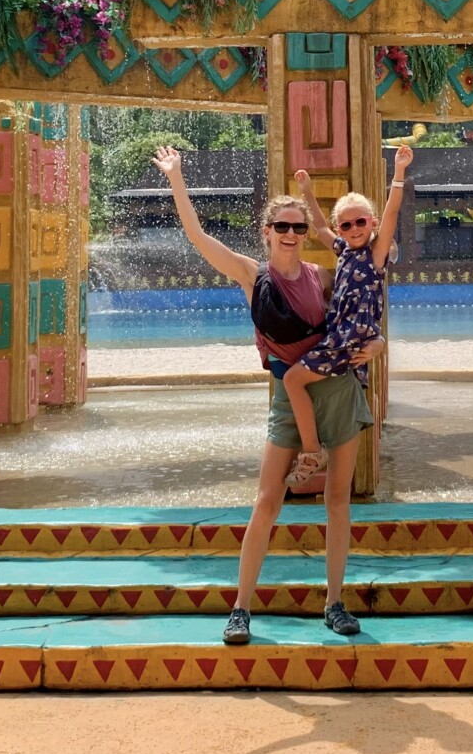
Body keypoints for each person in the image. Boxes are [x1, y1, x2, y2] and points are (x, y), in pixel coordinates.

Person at [152, 144, 378, 644]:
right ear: (268, 232)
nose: (294, 235)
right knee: (267, 501)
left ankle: (335, 602)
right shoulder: (251, 275)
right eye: (284, 227)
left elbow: (367, 302)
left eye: (300, 227)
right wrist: (176, 179)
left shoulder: (324, 276)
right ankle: (241, 608)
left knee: (337, 499)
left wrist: (378, 342)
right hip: (287, 396)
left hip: (337, 390)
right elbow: (197, 236)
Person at [283, 143, 412, 484]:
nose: (354, 229)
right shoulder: (342, 250)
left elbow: (393, 214)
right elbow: (321, 227)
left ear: (371, 223)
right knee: (305, 385)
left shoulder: (376, 254)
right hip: (338, 337)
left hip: (349, 340)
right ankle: (317, 447)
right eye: (347, 225)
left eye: (361, 222)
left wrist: (398, 173)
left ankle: (312, 451)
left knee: (293, 379)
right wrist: (308, 193)